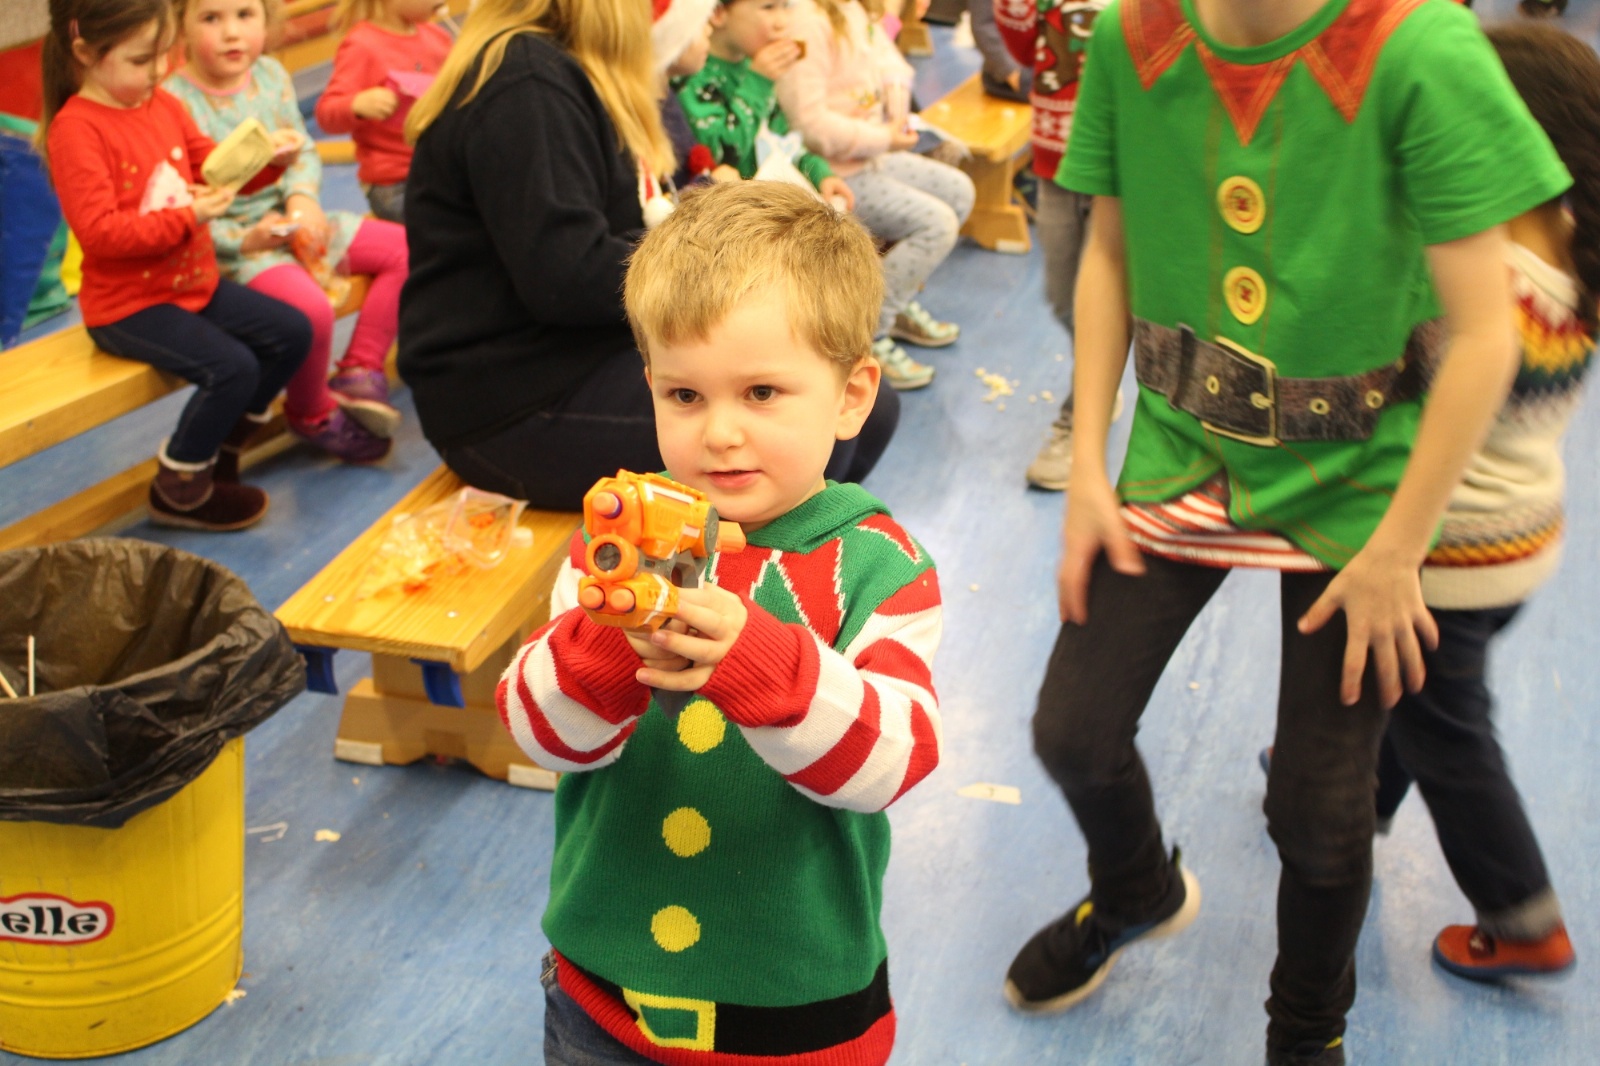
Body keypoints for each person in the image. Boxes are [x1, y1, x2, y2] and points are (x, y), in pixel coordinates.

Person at [1004, 2, 1570, 1065]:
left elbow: (1488, 333)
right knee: (1072, 731)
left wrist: (1400, 547)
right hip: (1182, 454)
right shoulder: (1135, 36)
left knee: (1320, 812)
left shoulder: (1420, 47)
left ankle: (1306, 1031)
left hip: (1357, 490)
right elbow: (1109, 253)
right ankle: (1133, 889)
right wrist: (1086, 465)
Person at [497, 181, 943, 1066]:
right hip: (602, 995)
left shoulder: (878, 566)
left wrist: (762, 661)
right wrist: (608, 644)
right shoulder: (614, 545)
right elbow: (539, 736)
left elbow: (893, 763)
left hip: (794, 1008)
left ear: (852, 396)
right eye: (685, 396)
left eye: (762, 392)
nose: (720, 434)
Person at [400, 0, 900, 512]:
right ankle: (761, 558)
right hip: (513, 401)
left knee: (850, 407)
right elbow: (568, 278)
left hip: (572, 355)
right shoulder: (526, 84)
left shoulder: (561, 68)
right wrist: (710, 269)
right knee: (809, 430)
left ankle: (791, 551)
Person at [1365, 19, 1594, 982]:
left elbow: (1383, 387)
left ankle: (1522, 914)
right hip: (1528, 536)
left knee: (1450, 730)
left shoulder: (1474, 281)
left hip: (1451, 553)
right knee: (1418, 694)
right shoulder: (1574, 253)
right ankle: (1367, 795)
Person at [41, 0, 312, 531]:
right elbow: (100, 234)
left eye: (165, 54)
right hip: (128, 307)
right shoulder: (77, 129)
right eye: (142, 60)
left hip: (192, 285)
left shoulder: (161, 103)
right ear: (85, 53)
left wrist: (266, 160)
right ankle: (179, 487)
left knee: (291, 332)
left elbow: (213, 167)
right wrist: (188, 216)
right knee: (233, 367)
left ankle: (221, 447)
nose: (160, 71)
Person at [166, 0, 404, 463]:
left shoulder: (271, 75)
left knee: (405, 249)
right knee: (311, 310)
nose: (231, 33)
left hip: (297, 220)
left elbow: (303, 148)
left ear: (266, 19)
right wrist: (244, 239)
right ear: (181, 27)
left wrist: (302, 197)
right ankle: (311, 411)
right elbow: (181, 203)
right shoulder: (173, 101)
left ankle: (360, 368)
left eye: (244, 15)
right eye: (211, 18)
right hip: (240, 244)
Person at [778, 0, 975, 391]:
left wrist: (896, 104)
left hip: (872, 156)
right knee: (936, 225)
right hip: (836, 171)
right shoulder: (808, 22)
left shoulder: (854, 9)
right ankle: (868, 333)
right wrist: (883, 137)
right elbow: (809, 124)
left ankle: (896, 301)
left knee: (959, 191)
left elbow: (889, 61)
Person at [993, 0, 1114, 490]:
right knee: (1064, 298)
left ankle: (1081, 419)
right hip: (1055, 159)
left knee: (1106, 304)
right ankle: (1101, 377)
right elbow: (1024, 48)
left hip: (1121, 162)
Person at [674, 0, 855, 208]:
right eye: (768, 7)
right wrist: (758, 82)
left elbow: (783, 141)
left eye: (786, 6)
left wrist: (820, 174)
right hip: (730, 213)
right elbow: (722, 154)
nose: (782, 22)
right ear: (718, 12)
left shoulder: (753, 67)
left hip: (770, 204)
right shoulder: (692, 75)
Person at [314, 0, 451, 223]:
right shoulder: (362, 46)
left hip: (443, 170)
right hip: (396, 183)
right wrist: (356, 104)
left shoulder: (438, 37)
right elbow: (326, 113)